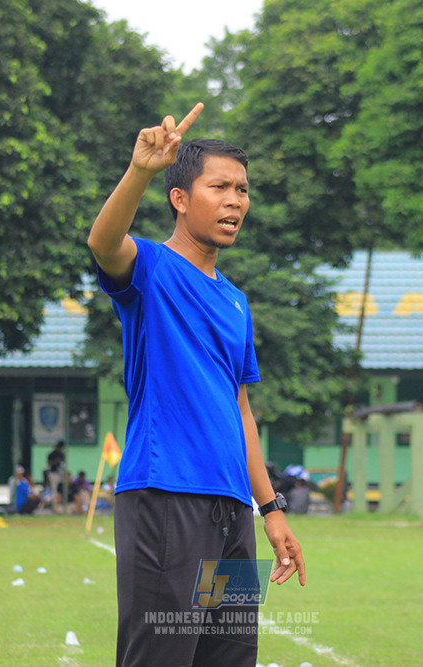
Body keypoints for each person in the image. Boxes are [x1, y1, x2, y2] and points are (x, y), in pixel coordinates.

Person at [87, 103, 305, 667]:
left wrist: (271, 508)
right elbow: (104, 243)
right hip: (166, 499)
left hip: (232, 512)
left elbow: (241, 411)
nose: (235, 200)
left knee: (229, 660)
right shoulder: (153, 270)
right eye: (219, 187)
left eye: (242, 189)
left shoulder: (236, 302)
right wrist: (141, 171)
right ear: (180, 198)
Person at [46, 441, 66, 513]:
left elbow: (64, 464)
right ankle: (54, 506)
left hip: (60, 473)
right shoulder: (52, 454)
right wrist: (56, 461)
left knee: (60, 489)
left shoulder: (62, 454)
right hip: (53, 473)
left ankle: (58, 505)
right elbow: (49, 463)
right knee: (54, 489)